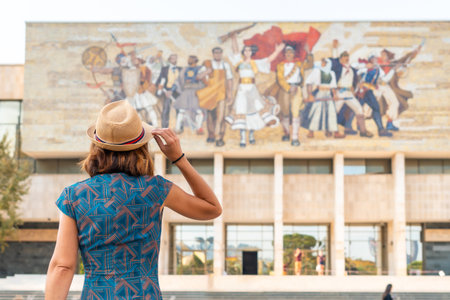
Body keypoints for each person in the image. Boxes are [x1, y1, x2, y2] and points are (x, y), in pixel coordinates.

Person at [45, 100, 222, 299]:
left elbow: (62, 266)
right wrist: (178, 158)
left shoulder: (74, 196)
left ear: (96, 147)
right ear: (142, 147)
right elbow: (212, 208)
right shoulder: (156, 189)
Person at [227, 33, 284, 147]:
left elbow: (268, 60)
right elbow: (235, 50)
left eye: (249, 50)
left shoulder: (256, 63)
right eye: (246, 50)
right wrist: (233, 38)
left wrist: (277, 51)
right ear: (243, 52)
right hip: (242, 90)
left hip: (252, 90)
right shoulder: (239, 62)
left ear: (252, 52)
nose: (247, 52)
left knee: (254, 112)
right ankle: (243, 138)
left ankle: (251, 135)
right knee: (242, 111)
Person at [329, 45, 373, 137]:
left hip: (349, 93)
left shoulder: (352, 68)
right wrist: (335, 49)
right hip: (340, 93)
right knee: (334, 111)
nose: (346, 60)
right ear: (340, 59)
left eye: (347, 58)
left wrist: (367, 66)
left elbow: (359, 67)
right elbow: (334, 60)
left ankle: (363, 131)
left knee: (359, 109)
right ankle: (331, 131)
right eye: (344, 58)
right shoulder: (338, 67)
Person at [275, 45, 314, 146]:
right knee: (285, 112)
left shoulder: (299, 64)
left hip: (297, 89)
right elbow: (280, 79)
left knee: (296, 113)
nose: (289, 54)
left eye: (291, 52)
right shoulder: (280, 65)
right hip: (285, 90)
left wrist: (309, 53)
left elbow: (310, 65)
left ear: (293, 54)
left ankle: (295, 138)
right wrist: (288, 88)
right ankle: (287, 133)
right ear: (284, 54)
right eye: (287, 52)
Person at [196, 47, 234, 147]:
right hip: (210, 94)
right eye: (216, 53)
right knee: (210, 116)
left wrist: (230, 93)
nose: (217, 54)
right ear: (213, 54)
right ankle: (211, 135)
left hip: (221, 93)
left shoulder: (225, 65)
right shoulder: (208, 64)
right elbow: (198, 77)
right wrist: (207, 72)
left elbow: (229, 79)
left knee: (220, 116)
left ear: (221, 54)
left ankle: (219, 137)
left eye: (219, 53)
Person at [301, 58, 345, 139]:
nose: (323, 64)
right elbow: (309, 83)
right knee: (316, 112)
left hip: (328, 95)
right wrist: (310, 95)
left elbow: (333, 86)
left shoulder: (332, 73)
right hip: (319, 94)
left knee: (332, 113)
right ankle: (311, 132)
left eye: (325, 63)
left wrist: (335, 95)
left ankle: (335, 132)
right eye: (322, 62)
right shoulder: (316, 71)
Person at [173, 55, 205, 135]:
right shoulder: (185, 69)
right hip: (186, 91)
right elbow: (180, 80)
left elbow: (203, 80)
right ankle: (177, 128)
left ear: (195, 60)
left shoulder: (200, 69)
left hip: (195, 92)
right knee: (182, 110)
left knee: (199, 111)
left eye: (190, 59)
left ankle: (199, 128)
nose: (189, 60)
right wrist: (181, 89)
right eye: (188, 59)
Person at [156, 54, 181, 128]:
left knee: (179, 110)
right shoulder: (164, 69)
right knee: (166, 109)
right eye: (172, 58)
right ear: (169, 60)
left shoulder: (180, 69)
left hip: (178, 92)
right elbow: (159, 81)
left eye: (175, 58)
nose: (173, 60)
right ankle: (164, 127)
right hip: (167, 91)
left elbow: (182, 82)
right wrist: (165, 91)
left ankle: (179, 127)